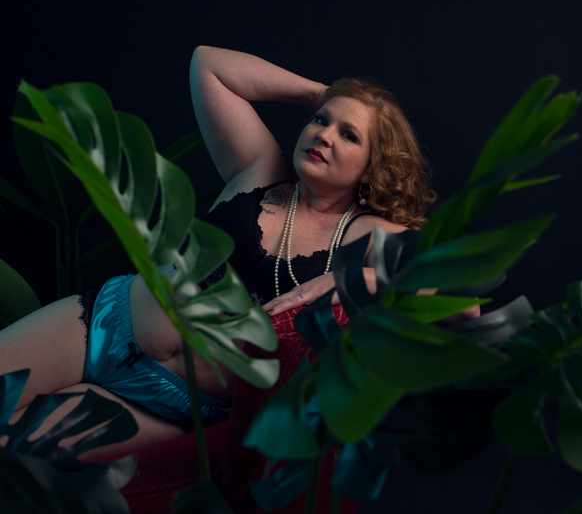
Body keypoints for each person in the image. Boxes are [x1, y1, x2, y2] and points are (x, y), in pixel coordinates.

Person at [0, 47, 473, 458]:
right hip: (101, 325)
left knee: (13, 449)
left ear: (371, 169)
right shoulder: (259, 168)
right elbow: (208, 63)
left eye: (349, 135)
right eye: (321, 120)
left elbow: (460, 303)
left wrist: (360, 279)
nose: (325, 134)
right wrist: (322, 94)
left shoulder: (368, 232)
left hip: (168, 404)